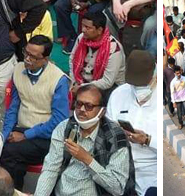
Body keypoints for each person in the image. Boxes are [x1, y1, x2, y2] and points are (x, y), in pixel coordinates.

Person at [34, 84, 133, 196]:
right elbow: (50, 169)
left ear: (102, 111)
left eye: (89, 106)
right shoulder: (65, 127)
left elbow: (117, 188)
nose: (81, 109)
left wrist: (87, 159)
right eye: (79, 104)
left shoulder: (115, 136)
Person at [0, 35, 70, 189]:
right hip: (22, 128)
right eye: (26, 53)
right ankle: (15, 190)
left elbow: (60, 121)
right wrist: (5, 134)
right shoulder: (18, 69)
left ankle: (12, 191)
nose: (27, 59)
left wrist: (26, 135)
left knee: (9, 153)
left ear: (45, 59)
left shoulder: (59, 79)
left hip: (46, 136)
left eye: (33, 57)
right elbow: (13, 107)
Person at [105, 50, 157, 196]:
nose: (138, 89)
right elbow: (106, 132)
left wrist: (147, 140)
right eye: (135, 84)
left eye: (142, 83)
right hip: (119, 168)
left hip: (151, 172)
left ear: (154, 75)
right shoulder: (118, 94)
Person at [70, 10, 126, 94]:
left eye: (87, 27)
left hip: (108, 86)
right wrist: (74, 82)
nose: (83, 30)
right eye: (82, 25)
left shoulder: (114, 49)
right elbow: (72, 60)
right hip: (82, 81)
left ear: (99, 30)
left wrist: (82, 88)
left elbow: (107, 81)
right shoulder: (81, 38)